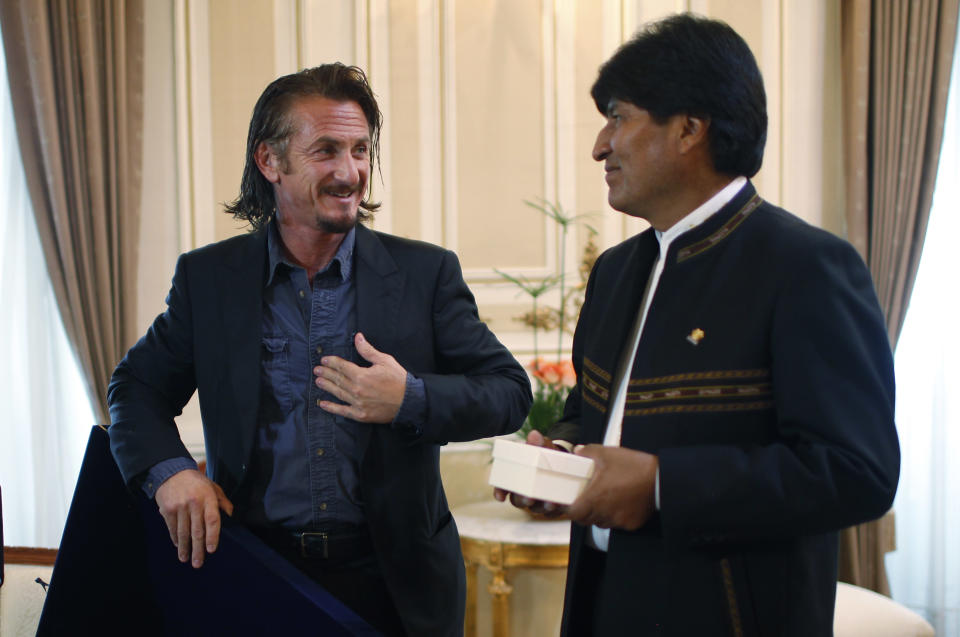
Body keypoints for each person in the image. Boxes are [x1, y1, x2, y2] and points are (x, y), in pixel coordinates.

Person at [495, 13, 899, 636]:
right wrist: (560, 459)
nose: (600, 145)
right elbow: (592, 415)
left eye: (619, 117)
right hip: (603, 609)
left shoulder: (807, 267)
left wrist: (663, 486)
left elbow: (857, 473)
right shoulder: (614, 271)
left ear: (688, 128)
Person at [108, 63, 532, 636]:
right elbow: (135, 389)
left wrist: (410, 398)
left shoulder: (425, 272)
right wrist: (171, 473)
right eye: (327, 150)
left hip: (398, 587)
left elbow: (508, 392)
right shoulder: (209, 279)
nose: (350, 171)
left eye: (361, 150)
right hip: (255, 575)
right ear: (270, 161)